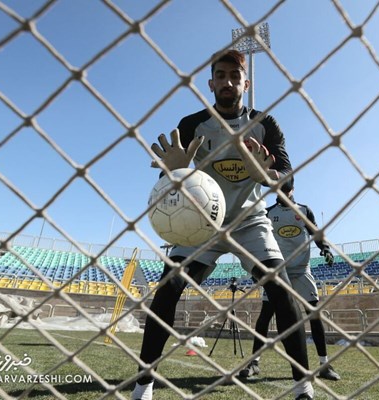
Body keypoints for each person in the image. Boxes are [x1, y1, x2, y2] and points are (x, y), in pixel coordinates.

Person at [132, 50, 314, 400]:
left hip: (250, 220)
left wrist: (265, 173)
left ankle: (303, 387)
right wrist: (176, 170)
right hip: (202, 224)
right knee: (168, 289)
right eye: (221, 75)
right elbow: (170, 180)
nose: (228, 82)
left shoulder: (265, 124)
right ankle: (144, 385)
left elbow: (287, 181)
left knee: (281, 290)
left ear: (246, 83)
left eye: (235, 76)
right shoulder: (192, 124)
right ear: (211, 82)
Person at [239, 178, 341, 382]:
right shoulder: (269, 213)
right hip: (277, 272)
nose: (283, 193)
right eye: (279, 190)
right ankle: (254, 363)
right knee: (265, 316)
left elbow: (316, 234)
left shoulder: (304, 211)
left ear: (293, 189)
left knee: (314, 314)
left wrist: (326, 249)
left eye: (287, 189)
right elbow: (259, 237)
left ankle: (324, 364)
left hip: (302, 271)